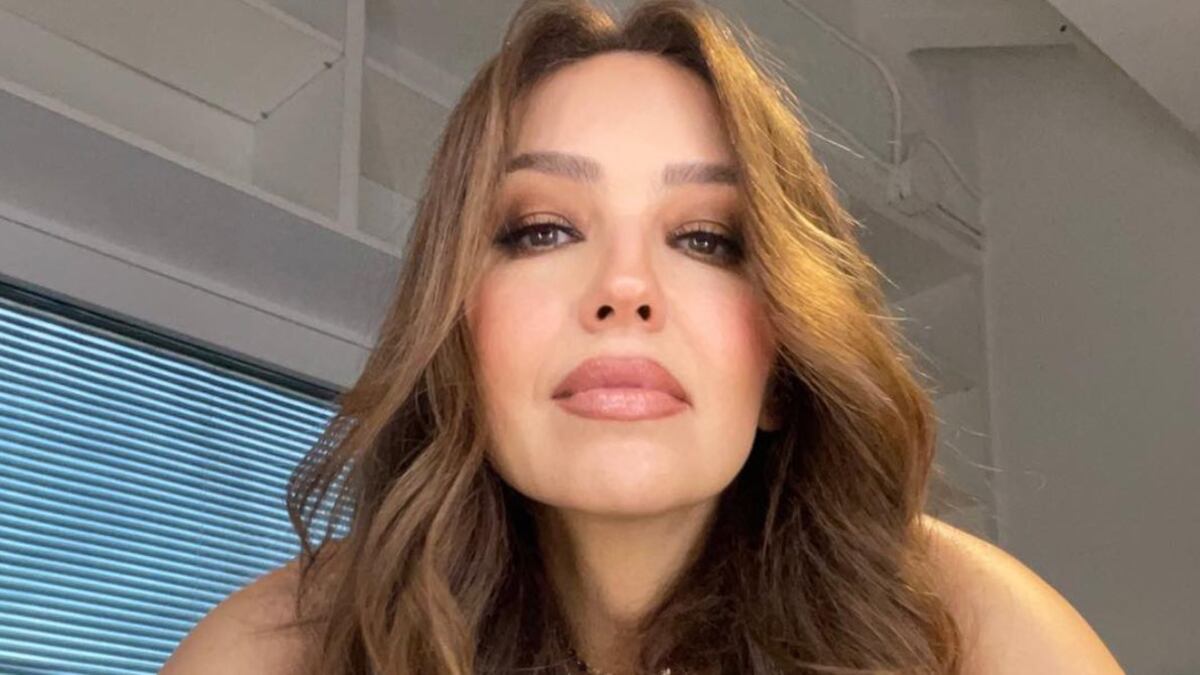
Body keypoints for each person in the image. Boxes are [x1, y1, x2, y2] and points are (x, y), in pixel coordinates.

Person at [161, 0, 1125, 673]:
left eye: (708, 239)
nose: (624, 289)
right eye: (543, 230)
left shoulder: (981, 640)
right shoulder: (280, 650)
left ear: (782, 364)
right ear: (456, 332)